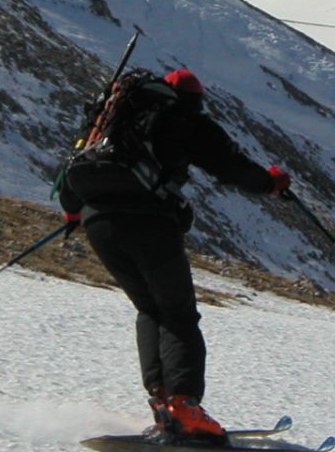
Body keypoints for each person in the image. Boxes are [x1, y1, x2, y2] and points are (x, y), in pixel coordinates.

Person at [59, 68, 291, 443]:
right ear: (193, 99)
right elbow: (229, 164)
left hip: (98, 220)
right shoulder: (182, 118)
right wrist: (271, 182)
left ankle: (162, 401)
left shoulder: (114, 122)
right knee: (178, 312)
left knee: (150, 308)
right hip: (148, 221)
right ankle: (185, 408)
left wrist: (76, 212)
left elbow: (71, 174)